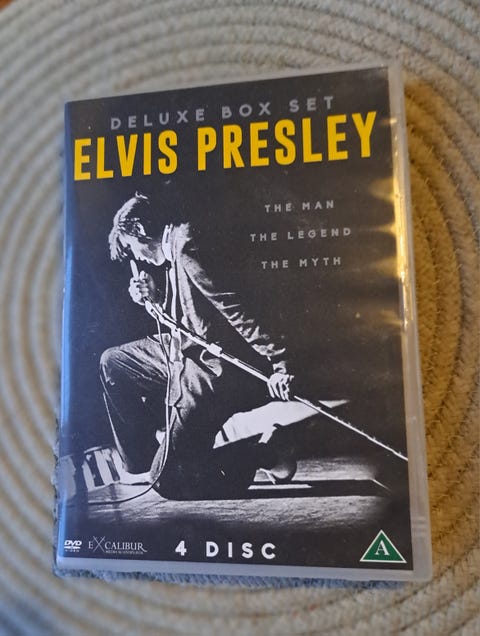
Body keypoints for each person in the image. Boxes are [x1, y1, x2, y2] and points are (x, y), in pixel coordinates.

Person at [100, 193, 294, 499]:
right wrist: (153, 296)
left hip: (208, 369)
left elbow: (234, 309)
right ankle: (142, 465)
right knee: (113, 362)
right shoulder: (173, 250)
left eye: (133, 247)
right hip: (182, 352)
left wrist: (280, 363)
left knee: (168, 481)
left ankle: (266, 452)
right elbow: (190, 315)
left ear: (141, 230)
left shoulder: (187, 247)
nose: (137, 257)